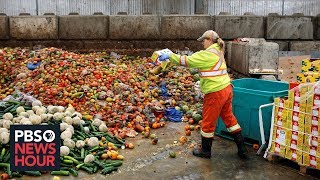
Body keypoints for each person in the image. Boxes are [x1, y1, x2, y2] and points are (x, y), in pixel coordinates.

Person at [157, 30, 248, 159]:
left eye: (203, 41)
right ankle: (242, 149)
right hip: (226, 89)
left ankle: (205, 151)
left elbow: (187, 61)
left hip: (215, 92)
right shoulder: (218, 50)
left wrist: (170, 56)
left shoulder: (208, 54)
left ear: (209, 40)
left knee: (207, 122)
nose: (202, 44)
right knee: (229, 118)